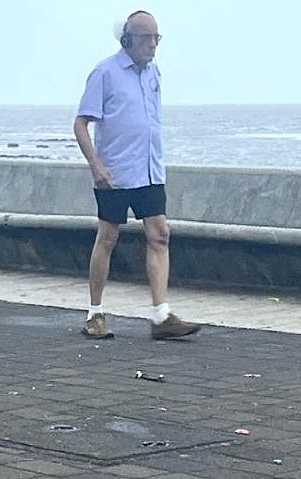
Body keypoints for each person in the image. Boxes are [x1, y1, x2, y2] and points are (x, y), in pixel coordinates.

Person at [73, 10, 201, 340]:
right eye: (146, 38)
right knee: (108, 237)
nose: (153, 45)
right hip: (114, 172)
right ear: (128, 39)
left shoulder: (153, 73)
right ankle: (95, 314)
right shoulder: (105, 72)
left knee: (160, 234)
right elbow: (81, 123)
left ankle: (161, 316)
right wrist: (96, 165)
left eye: (156, 38)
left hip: (149, 169)